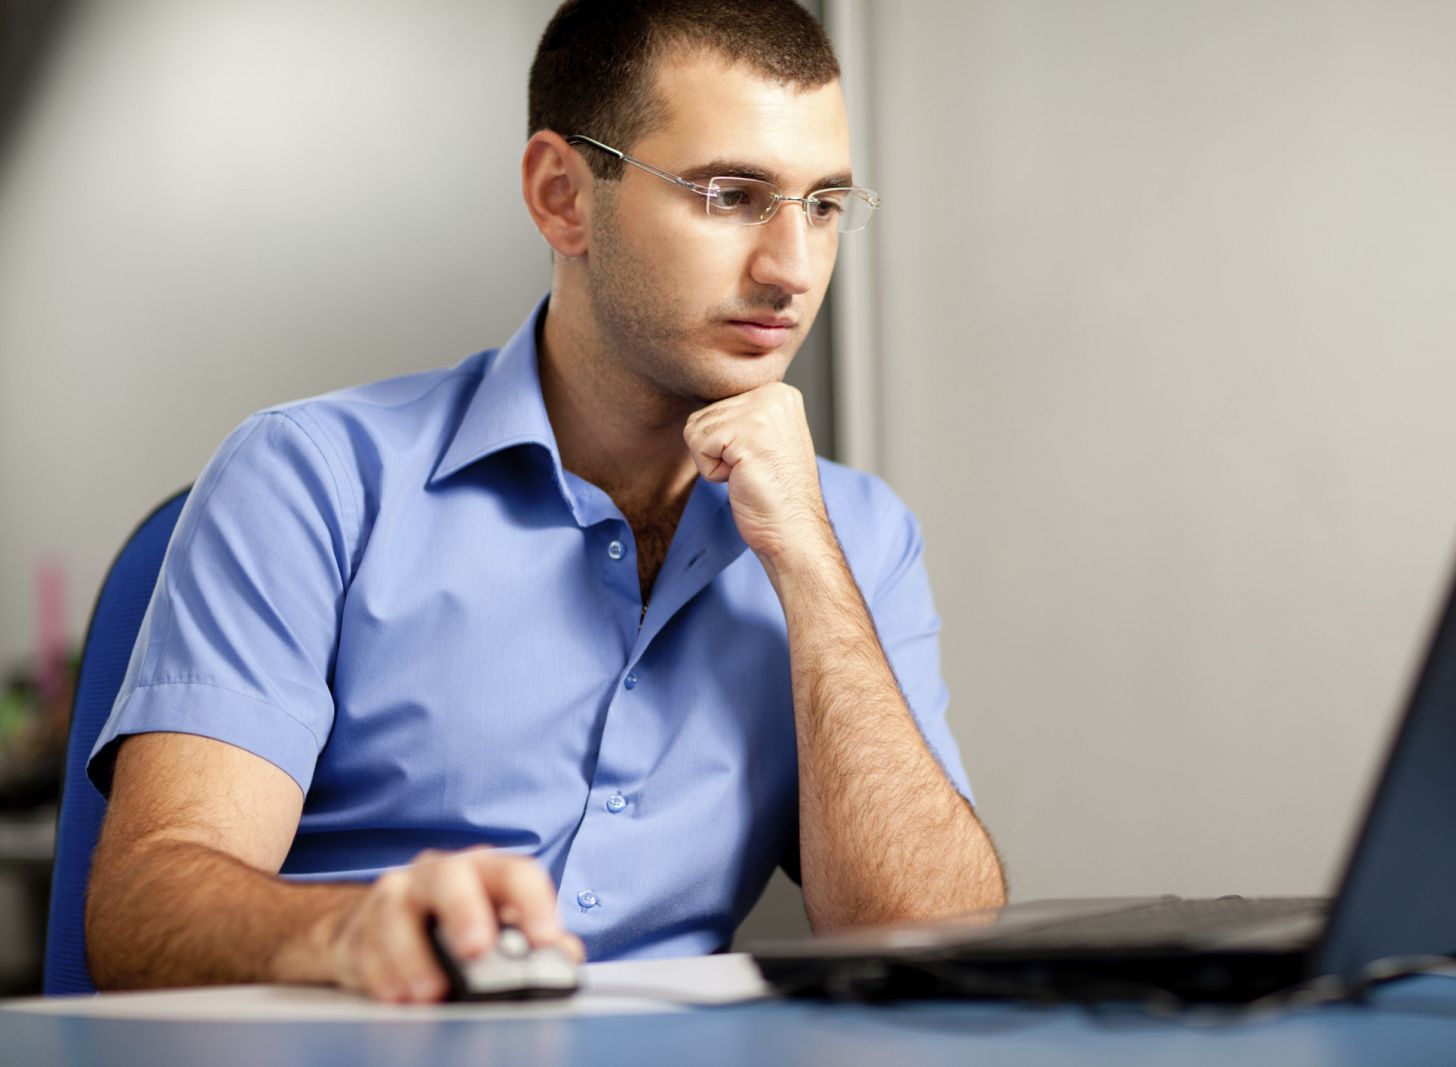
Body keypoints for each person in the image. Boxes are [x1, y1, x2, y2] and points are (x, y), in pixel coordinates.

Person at [83, 0, 1006, 1003]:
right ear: (563, 195)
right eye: (732, 195)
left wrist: (809, 566)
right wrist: (349, 928)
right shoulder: (310, 478)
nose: (790, 268)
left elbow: (931, 944)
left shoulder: (855, 534)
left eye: (823, 204)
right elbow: (141, 909)